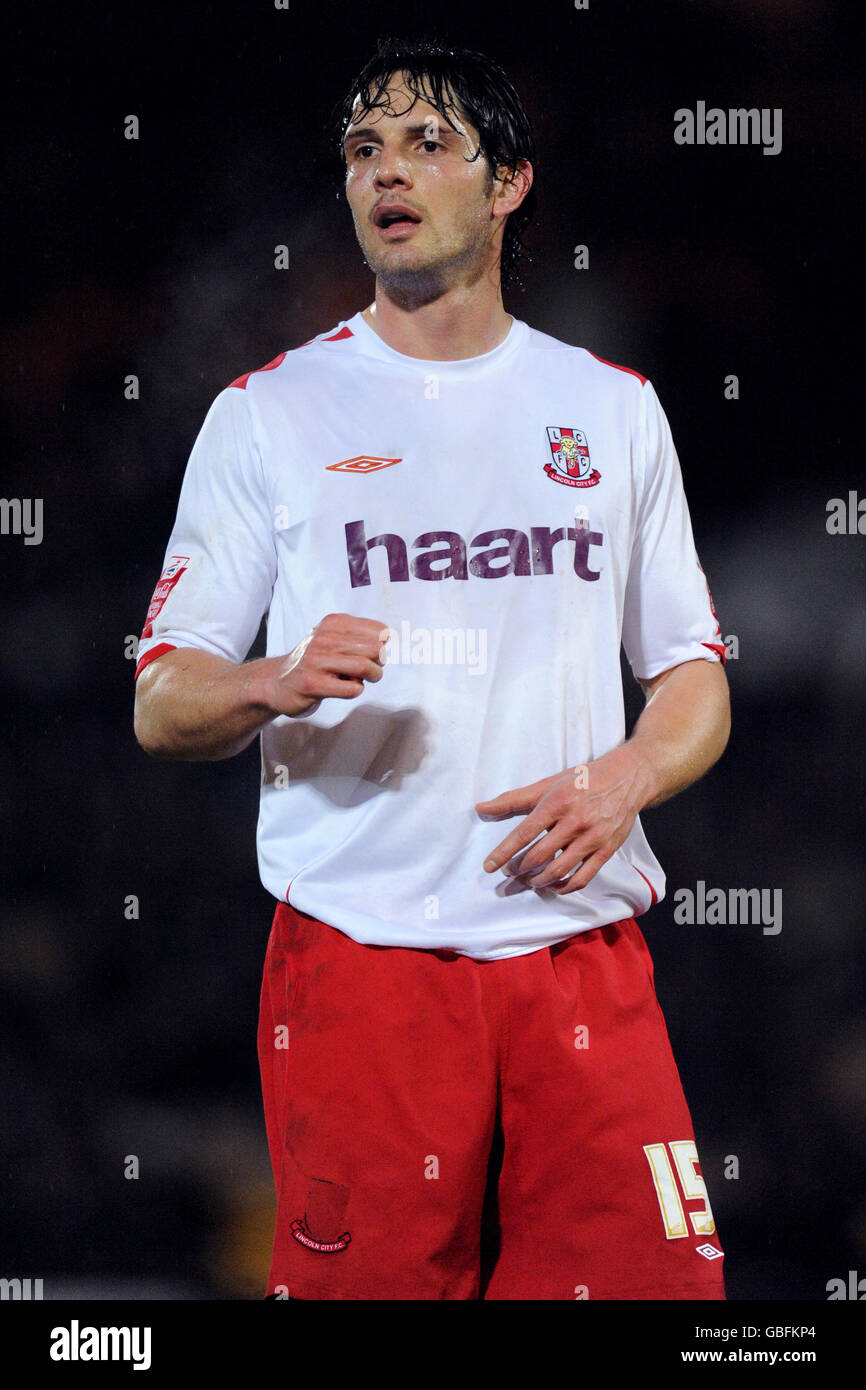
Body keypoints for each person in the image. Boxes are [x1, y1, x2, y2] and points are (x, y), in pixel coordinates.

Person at [133, 34, 731, 1301]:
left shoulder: (610, 407)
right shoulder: (268, 414)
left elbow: (692, 677)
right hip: (363, 967)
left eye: (424, 143)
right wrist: (268, 679)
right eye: (361, 149)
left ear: (506, 181)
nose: (383, 172)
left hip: (579, 953)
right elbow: (162, 698)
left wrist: (623, 776)